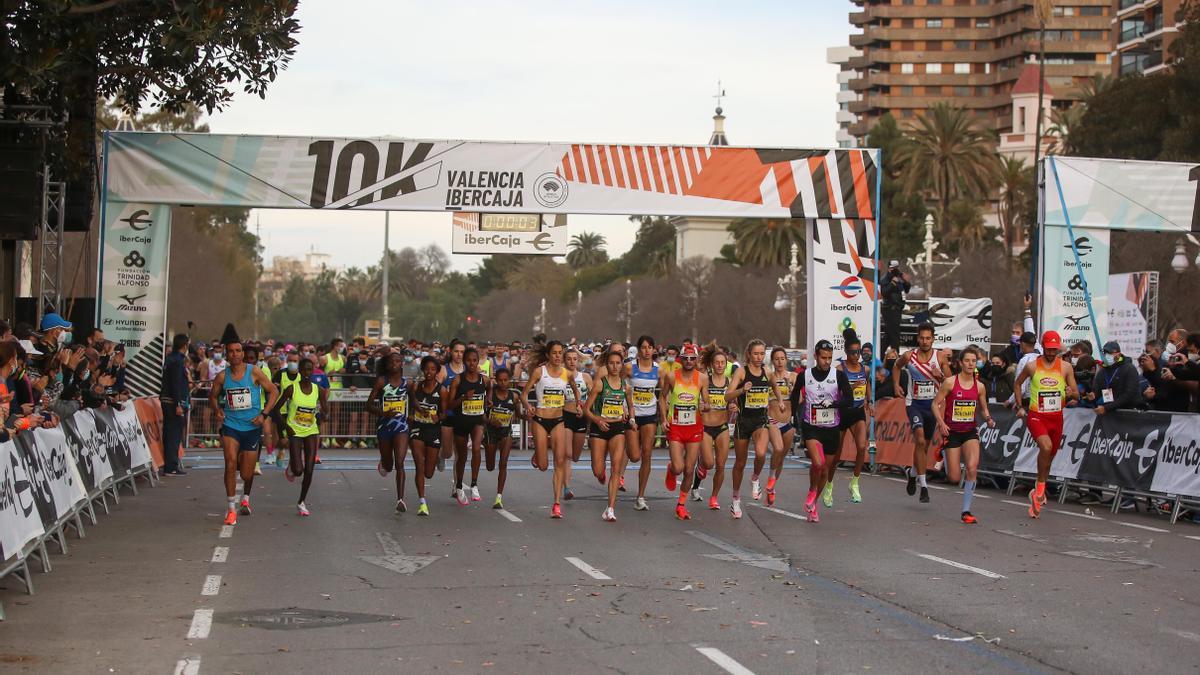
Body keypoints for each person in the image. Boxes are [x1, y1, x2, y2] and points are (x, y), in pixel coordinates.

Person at [209, 338, 279, 526]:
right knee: (230, 463)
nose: (235, 354)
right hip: (231, 426)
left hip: (252, 427)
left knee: (247, 474)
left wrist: (264, 414)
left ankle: (243, 490)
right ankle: (231, 508)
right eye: (231, 351)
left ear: (242, 353)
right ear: (227, 355)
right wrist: (217, 410)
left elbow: (273, 391)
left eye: (238, 350)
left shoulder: (254, 371)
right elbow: (213, 397)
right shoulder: (223, 377)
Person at [1013, 330, 1079, 519]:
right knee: (1046, 446)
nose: (1051, 353)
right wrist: (1019, 405)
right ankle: (1041, 489)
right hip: (1036, 416)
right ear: (1043, 347)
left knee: (1048, 458)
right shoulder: (1033, 366)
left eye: (1054, 350)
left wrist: (1070, 392)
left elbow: (1076, 394)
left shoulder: (1065, 367)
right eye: (1048, 349)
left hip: (1056, 417)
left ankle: (1036, 494)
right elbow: (1017, 384)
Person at [932, 346, 995, 524]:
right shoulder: (950, 382)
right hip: (951, 433)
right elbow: (935, 404)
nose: (970, 364)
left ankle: (966, 511)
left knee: (972, 468)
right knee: (953, 477)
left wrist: (989, 419)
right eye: (967, 360)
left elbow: (983, 408)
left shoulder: (980, 386)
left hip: (969, 432)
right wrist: (941, 422)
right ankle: (942, 451)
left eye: (973, 361)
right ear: (960, 363)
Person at [724, 339, 783, 519]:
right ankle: (735, 500)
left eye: (762, 353)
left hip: (760, 420)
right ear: (749, 354)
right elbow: (727, 396)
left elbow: (774, 385)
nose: (759, 357)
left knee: (760, 453)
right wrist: (742, 391)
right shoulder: (742, 372)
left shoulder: (767, 372)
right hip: (744, 421)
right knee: (740, 463)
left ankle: (755, 477)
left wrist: (779, 400)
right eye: (756, 353)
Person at [521, 340, 580, 519]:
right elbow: (523, 394)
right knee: (543, 466)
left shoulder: (567, 374)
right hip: (540, 420)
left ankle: (556, 504)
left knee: (560, 462)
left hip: (558, 421)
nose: (557, 356)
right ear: (548, 355)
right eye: (554, 353)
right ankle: (538, 455)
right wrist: (528, 406)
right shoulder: (540, 372)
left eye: (559, 353)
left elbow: (576, 390)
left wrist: (578, 404)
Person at [797, 339, 853, 522]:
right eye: (823, 358)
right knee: (818, 463)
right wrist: (791, 417)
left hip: (831, 428)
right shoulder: (805, 375)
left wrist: (835, 403)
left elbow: (849, 400)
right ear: (815, 356)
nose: (826, 361)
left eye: (829, 358)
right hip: (811, 426)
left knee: (825, 470)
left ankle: (814, 503)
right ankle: (811, 491)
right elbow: (793, 396)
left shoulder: (839, 376)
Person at [893, 323, 947, 504]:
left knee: (924, 447)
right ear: (918, 338)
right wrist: (896, 385)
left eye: (928, 338)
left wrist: (940, 376)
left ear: (933, 338)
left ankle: (912, 473)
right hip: (914, 404)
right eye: (922, 338)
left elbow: (951, 381)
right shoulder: (909, 356)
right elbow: (896, 366)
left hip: (932, 406)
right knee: (920, 440)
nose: (925, 341)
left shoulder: (940, 357)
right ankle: (924, 486)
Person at [659, 343, 710, 520]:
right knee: (679, 467)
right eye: (686, 358)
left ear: (696, 360)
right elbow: (662, 397)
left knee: (689, 470)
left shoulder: (702, 378)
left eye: (692, 359)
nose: (689, 361)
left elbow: (707, 402)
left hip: (694, 427)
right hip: (676, 427)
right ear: (681, 359)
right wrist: (664, 419)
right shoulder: (672, 376)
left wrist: (705, 406)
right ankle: (671, 469)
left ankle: (681, 505)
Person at [271, 358, 326, 516]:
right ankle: (292, 466)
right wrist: (285, 427)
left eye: (310, 370)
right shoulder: (291, 389)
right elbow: (276, 409)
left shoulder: (318, 390)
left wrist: (322, 415)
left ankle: (301, 502)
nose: (307, 373)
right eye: (304, 370)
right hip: (294, 430)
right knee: (299, 470)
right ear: (300, 371)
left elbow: (325, 410)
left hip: (311, 431)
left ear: (313, 370)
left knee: (309, 468)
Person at [583, 348, 633, 521]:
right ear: (607, 364)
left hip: (617, 428)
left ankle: (610, 508)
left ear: (622, 365)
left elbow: (630, 406)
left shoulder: (626, 386)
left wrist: (631, 418)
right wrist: (597, 421)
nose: (614, 366)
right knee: (598, 469)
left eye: (618, 363)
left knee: (616, 468)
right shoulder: (600, 383)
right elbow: (586, 409)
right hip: (599, 428)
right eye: (611, 363)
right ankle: (600, 472)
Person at [367, 352, 413, 513]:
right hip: (384, 427)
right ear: (387, 365)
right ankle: (384, 462)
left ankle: (400, 499)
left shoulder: (407, 383)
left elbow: (414, 402)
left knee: (400, 463)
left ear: (401, 364)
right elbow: (368, 406)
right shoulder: (382, 382)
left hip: (401, 427)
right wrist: (383, 413)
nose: (395, 364)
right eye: (392, 361)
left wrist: (417, 414)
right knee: (389, 464)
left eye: (398, 361)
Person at [830, 329, 870, 505]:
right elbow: (834, 392)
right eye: (853, 352)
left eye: (859, 352)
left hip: (858, 412)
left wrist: (870, 400)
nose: (856, 355)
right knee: (836, 456)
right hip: (842, 413)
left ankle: (854, 482)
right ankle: (829, 486)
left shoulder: (865, 369)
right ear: (846, 352)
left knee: (862, 447)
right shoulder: (840, 369)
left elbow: (866, 385)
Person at [447, 347, 489, 504]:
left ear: (478, 362)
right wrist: (464, 397)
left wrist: (488, 402)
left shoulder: (484, 380)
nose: (472, 363)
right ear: (464, 362)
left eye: (474, 360)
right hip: (461, 421)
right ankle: (458, 486)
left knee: (477, 448)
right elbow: (450, 405)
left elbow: (489, 390)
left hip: (477, 421)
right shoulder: (458, 379)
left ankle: (474, 484)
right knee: (462, 456)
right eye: (469, 360)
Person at [625, 335, 660, 511]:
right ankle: (625, 445)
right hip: (633, 415)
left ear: (654, 350)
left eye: (649, 347)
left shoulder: (658, 370)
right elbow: (616, 382)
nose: (647, 350)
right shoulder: (629, 368)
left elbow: (667, 391)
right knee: (634, 456)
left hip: (650, 415)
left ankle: (640, 496)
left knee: (647, 454)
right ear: (639, 350)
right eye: (644, 347)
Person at [408, 356, 444, 516]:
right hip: (417, 428)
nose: (429, 372)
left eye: (432, 369)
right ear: (422, 370)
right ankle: (422, 502)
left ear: (436, 371)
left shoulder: (442, 390)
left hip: (433, 431)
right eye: (426, 369)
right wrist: (410, 415)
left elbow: (449, 411)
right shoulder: (416, 386)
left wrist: (440, 417)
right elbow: (410, 403)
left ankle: (437, 458)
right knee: (419, 465)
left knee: (428, 473)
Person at [697, 342, 731, 510]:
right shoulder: (705, 380)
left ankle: (714, 497)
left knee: (721, 465)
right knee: (709, 463)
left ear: (726, 364)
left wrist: (734, 406)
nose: (719, 365)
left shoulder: (730, 382)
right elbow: (696, 400)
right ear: (711, 364)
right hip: (705, 427)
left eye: (722, 363)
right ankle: (701, 463)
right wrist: (700, 406)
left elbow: (734, 402)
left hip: (722, 427)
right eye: (717, 363)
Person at [484, 367, 522, 509]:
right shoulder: (490, 395)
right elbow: (481, 415)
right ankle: (490, 461)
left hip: (506, 432)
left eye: (505, 380)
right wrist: (490, 420)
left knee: (503, 463)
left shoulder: (514, 397)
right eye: (500, 380)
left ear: (510, 381)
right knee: (490, 466)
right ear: (496, 380)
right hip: (491, 432)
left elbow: (518, 415)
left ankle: (499, 497)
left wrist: (529, 416)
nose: (503, 383)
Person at [560, 348, 592, 502]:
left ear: (578, 361)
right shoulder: (560, 376)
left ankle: (566, 483)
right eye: (569, 359)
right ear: (564, 361)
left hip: (581, 417)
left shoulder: (585, 377)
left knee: (575, 456)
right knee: (567, 454)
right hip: (565, 415)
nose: (572, 362)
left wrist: (585, 410)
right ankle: (566, 488)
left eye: (574, 359)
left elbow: (594, 398)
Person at [159, 333, 191, 476]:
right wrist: (178, 403)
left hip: (166, 400)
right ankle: (171, 466)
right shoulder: (178, 361)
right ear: (185, 345)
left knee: (169, 433)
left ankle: (170, 464)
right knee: (173, 434)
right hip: (173, 402)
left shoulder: (170, 359)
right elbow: (176, 383)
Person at [1087, 341, 1144, 414]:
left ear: (1118, 354)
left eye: (1110, 353)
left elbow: (1129, 394)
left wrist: (1107, 408)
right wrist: (1093, 395)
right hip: (1110, 412)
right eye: (1105, 353)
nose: (1106, 355)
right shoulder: (1102, 371)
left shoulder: (1129, 368)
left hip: (1129, 412)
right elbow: (1097, 391)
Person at [437, 340, 467, 470]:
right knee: (448, 453)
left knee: (460, 453)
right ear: (450, 351)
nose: (459, 355)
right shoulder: (444, 370)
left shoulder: (469, 369)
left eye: (462, 352)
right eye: (456, 351)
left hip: (465, 414)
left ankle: (457, 487)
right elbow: (435, 391)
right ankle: (441, 455)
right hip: (449, 413)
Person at [879, 261, 910, 354]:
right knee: (895, 335)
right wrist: (892, 283)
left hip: (898, 309)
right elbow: (883, 292)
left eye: (896, 267)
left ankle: (879, 354)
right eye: (893, 268)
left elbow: (907, 290)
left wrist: (906, 281)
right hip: (889, 309)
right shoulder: (885, 279)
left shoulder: (900, 276)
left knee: (889, 335)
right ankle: (895, 357)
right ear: (889, 268)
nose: (894, 270)